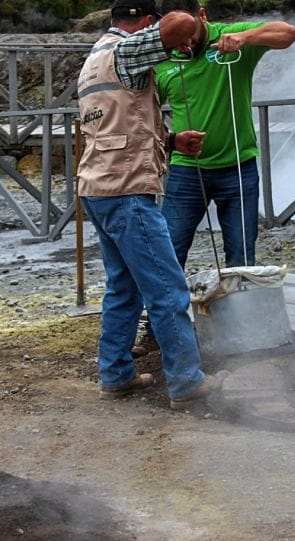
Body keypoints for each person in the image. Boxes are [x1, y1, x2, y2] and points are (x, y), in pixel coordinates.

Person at [77, 0, 226, 409]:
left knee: (123, 289)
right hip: (127, 191)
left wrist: (172, 140)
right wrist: (193, 26)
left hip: (98, 188)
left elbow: (118, 121)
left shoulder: (96, 57)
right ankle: (186, 382)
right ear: (144, 22)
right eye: (153, 26)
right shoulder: (126, 50)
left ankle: (116, 374)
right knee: (166, 287)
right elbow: (178, 23)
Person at [130, 1, 295, 358]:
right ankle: (157, 332)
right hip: (186, 172)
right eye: (174, 38)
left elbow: (289, 33)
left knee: (241, 253)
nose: (183, 45)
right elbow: (144, 118)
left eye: (187, 35)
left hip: (239, 169)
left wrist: (245, 37)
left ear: (202, 16)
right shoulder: (162, 59)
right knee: (169, 253)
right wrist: (173, 139)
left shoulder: (229, 39)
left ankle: (245, 333)